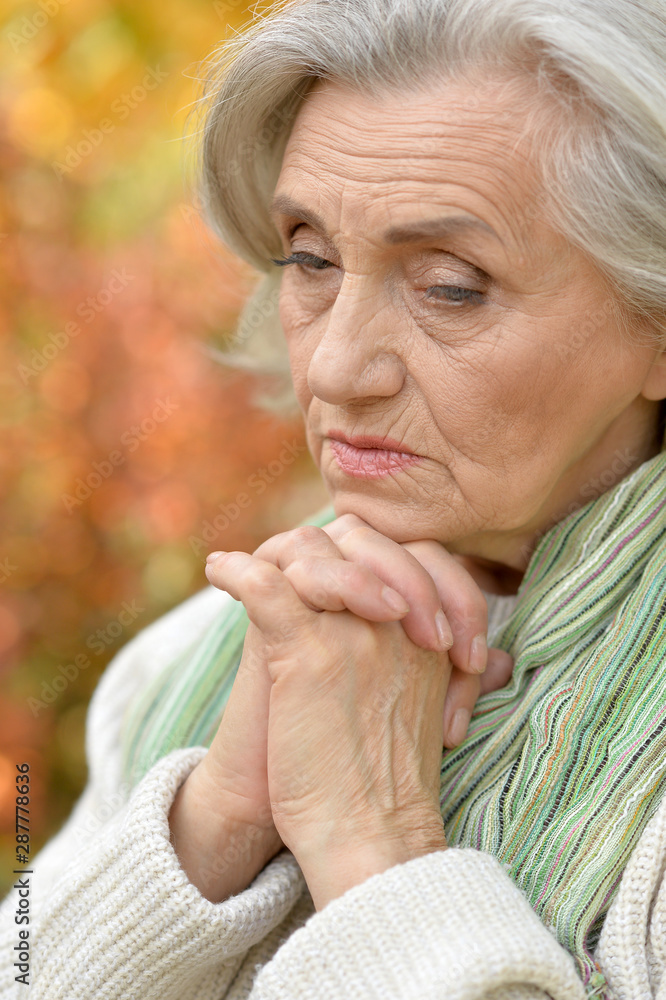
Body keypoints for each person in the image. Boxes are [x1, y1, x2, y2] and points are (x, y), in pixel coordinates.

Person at [3, 0, 666, 996]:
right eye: (308, 259)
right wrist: (215, 822)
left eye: (449, 285)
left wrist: (377, 845)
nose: (337, 365)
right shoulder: (189, 662)